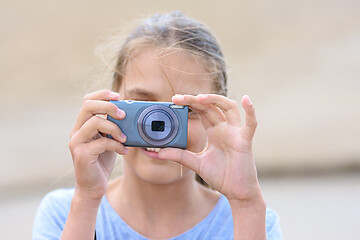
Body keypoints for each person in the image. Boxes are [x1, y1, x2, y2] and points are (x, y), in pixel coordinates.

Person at [33, 11, 283, 240]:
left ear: (219, 118)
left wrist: (245, 203)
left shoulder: (252, 221)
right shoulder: (64, 214)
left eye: (187, 111)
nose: (158, 127)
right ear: (109, 101)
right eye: (142, 104)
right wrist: (87, 199)